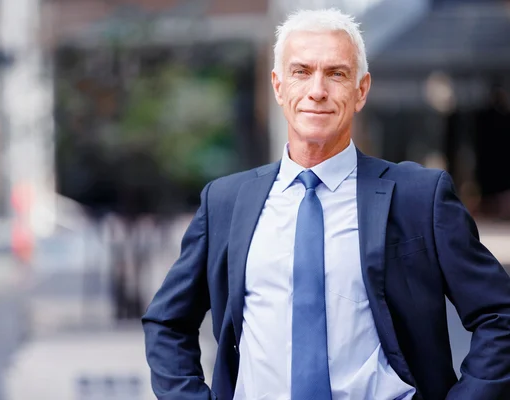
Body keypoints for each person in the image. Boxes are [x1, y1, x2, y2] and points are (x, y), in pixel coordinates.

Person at [142, 8, 510, 400]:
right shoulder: (226, 202)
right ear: (278, 86)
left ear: (361, 90)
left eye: (336, 74)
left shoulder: (421, 196)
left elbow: (499, 315)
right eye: (301, 72)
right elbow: (167, 323)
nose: (317, 90)